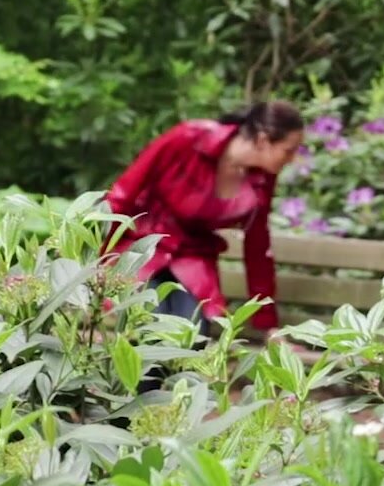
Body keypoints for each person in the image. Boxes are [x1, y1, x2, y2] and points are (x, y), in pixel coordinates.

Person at [101, 100, 304, 336]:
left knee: (192, 332)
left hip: (193, 259)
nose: (292, 159)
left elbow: (257, 246)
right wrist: (96, 262)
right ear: (262, 140)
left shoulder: (261, 179)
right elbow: (121, 197)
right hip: (142, 247)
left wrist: (268, 326)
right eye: (289, 150)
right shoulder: (187, 138)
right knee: (147, 324)